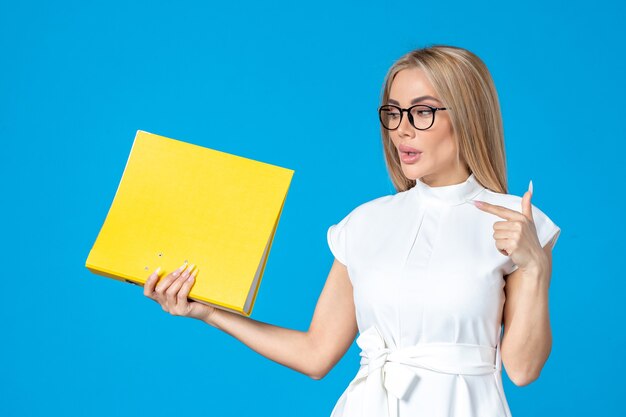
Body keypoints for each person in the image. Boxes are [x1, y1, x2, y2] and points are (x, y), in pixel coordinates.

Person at [142, 44, 561, 417]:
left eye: (422, 111)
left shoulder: (517, 224)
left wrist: (536, 266)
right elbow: (316, 354)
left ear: (467, 116)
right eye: (393, 112)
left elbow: (522, 371)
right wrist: (209, 312)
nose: (402, 128)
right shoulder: (363, 223)